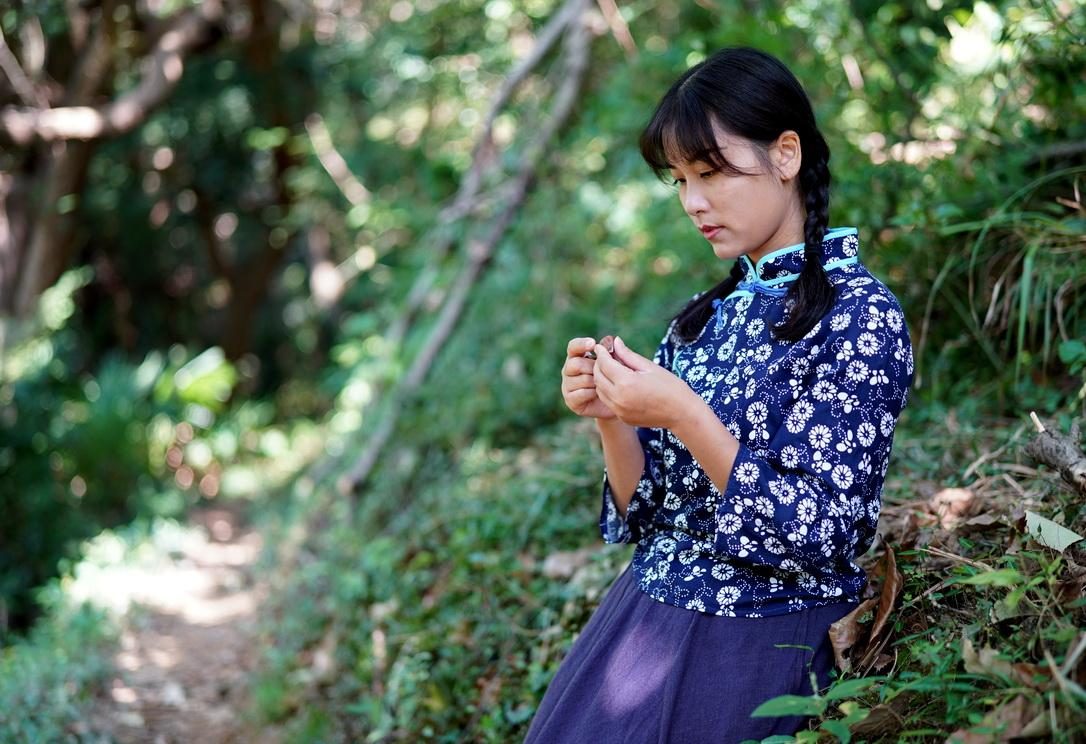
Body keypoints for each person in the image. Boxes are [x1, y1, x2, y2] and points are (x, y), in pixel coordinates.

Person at [525, 46, 914, 743]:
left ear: (786, 154)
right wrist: (612, 418)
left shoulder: (859, 314)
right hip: (643, 614)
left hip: (761, 633)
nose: (693, 202)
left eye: (711, 172)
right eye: (679, 180)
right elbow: (647, 512)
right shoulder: (704, 317)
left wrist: (686, 414)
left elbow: (822, 534)